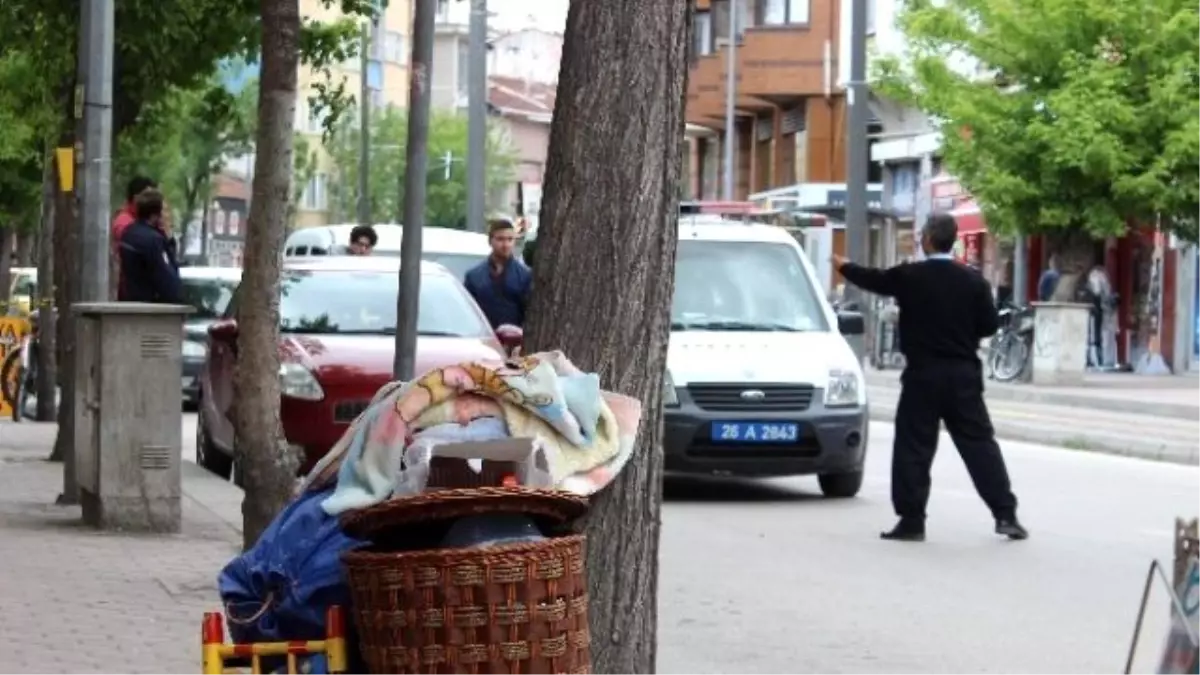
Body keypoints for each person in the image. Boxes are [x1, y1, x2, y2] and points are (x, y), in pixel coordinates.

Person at [832, 212, 1027, 543]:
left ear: (925, 239)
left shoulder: (911, 276)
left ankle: (911, 520)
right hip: (963, 376)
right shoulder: (973, 281)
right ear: (953, 241)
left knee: (914, 447)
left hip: (922, 374)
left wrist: (844, 267)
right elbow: (990, 326)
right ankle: (1005, 514)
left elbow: (875, 279)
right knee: (980, 445)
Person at [463, 218, 532, 329]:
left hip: (515, 341)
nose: (506, 245)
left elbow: (530, 315)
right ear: (490, 241)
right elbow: (467, 313)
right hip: (482, 338)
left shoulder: (525, 276)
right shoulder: (474, 277)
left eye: (510, 239)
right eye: (500, 239)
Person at [118, 188, 182, 303]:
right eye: (164, 211)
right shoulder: (154, 241)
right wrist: (169, 242)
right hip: (151, 308)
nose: (167, 215)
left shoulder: (128, 233)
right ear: (155, 215)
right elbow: (169, 283)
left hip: (130, 302)